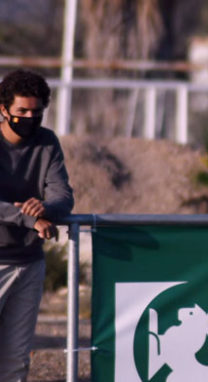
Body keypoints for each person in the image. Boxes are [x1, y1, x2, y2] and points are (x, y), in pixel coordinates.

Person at [0, 69, 74, 381]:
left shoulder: (47, 143)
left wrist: (45, 207)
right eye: (22, 111)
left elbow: (63, 196)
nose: (30, 117)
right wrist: (31, 218)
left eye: (36, 112)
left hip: (29, 264)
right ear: (3, 110)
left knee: (16, 361)